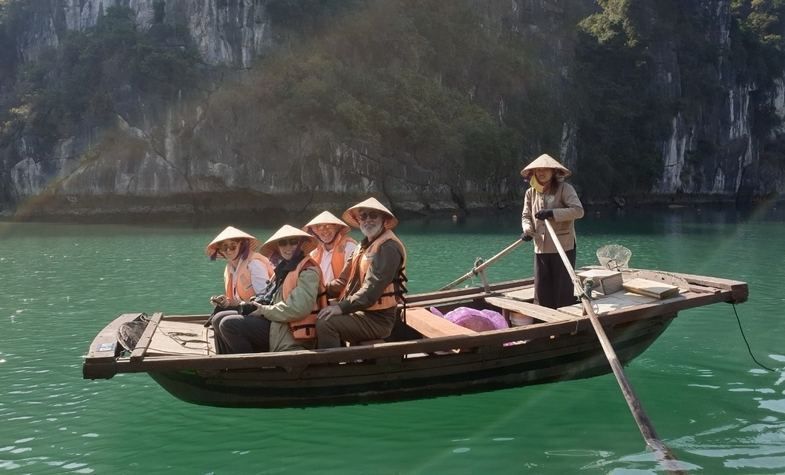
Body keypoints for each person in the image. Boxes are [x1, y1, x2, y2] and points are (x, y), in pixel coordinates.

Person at [316, 197, 407, 348]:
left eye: (373, 215)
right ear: (358, 221)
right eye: (363, 216)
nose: (367, 220)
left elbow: (372, 289)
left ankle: (332, 368)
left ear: (384, 220)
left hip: (379, 319)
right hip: (362, 311)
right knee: (318, 311)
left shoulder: (388, 248)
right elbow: (342, 282)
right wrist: (318, 291)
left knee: (326, 323)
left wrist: (341, 307)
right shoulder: (362, 246)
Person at [217, 225, 325, 353]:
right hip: (275, 320)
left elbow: (299, 309)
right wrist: (243, 306)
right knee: (219, 317)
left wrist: (263, 311)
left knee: (229, 324)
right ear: (278, 247)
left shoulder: (308, 271)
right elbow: (267, 298)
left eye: (293, 242)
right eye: (283, 243)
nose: (288, 247)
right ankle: (225, 365)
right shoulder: (283, 268)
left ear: (301, 245)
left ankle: (249, 368)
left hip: (288, 330)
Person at [520, 153, 584, 309]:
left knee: (562, 289)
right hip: (540, 246)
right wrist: (527, 230)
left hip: (563, 246)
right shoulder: (531, 192)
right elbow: (526, 215)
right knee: (541, 288)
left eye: (545, 170)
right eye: (538, 170)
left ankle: (564, 323)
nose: (541, 173)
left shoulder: (565, 189)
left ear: (554, 172)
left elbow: (578, 211)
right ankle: (541, 321)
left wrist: (552, 213)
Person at [205, 226, 273, 353]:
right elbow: (238, 301)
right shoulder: (230, 268)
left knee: (227, 323)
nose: (228, 250)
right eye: (224, 247)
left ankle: (248, 365)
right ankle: (226, 361)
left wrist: (237, 305)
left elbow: (265, 300)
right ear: (220, 250)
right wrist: (227, 302)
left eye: (233, 246)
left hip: (266, 319)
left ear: (242, 245)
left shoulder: (254, 264)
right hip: (249, 313)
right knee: (216, 319)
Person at [302, 211, 358, 282]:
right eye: (319, 227)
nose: (325, 230)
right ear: (314, 232)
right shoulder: (314, 254)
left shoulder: (349, 248)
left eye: (329, 226)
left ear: (337, 228)